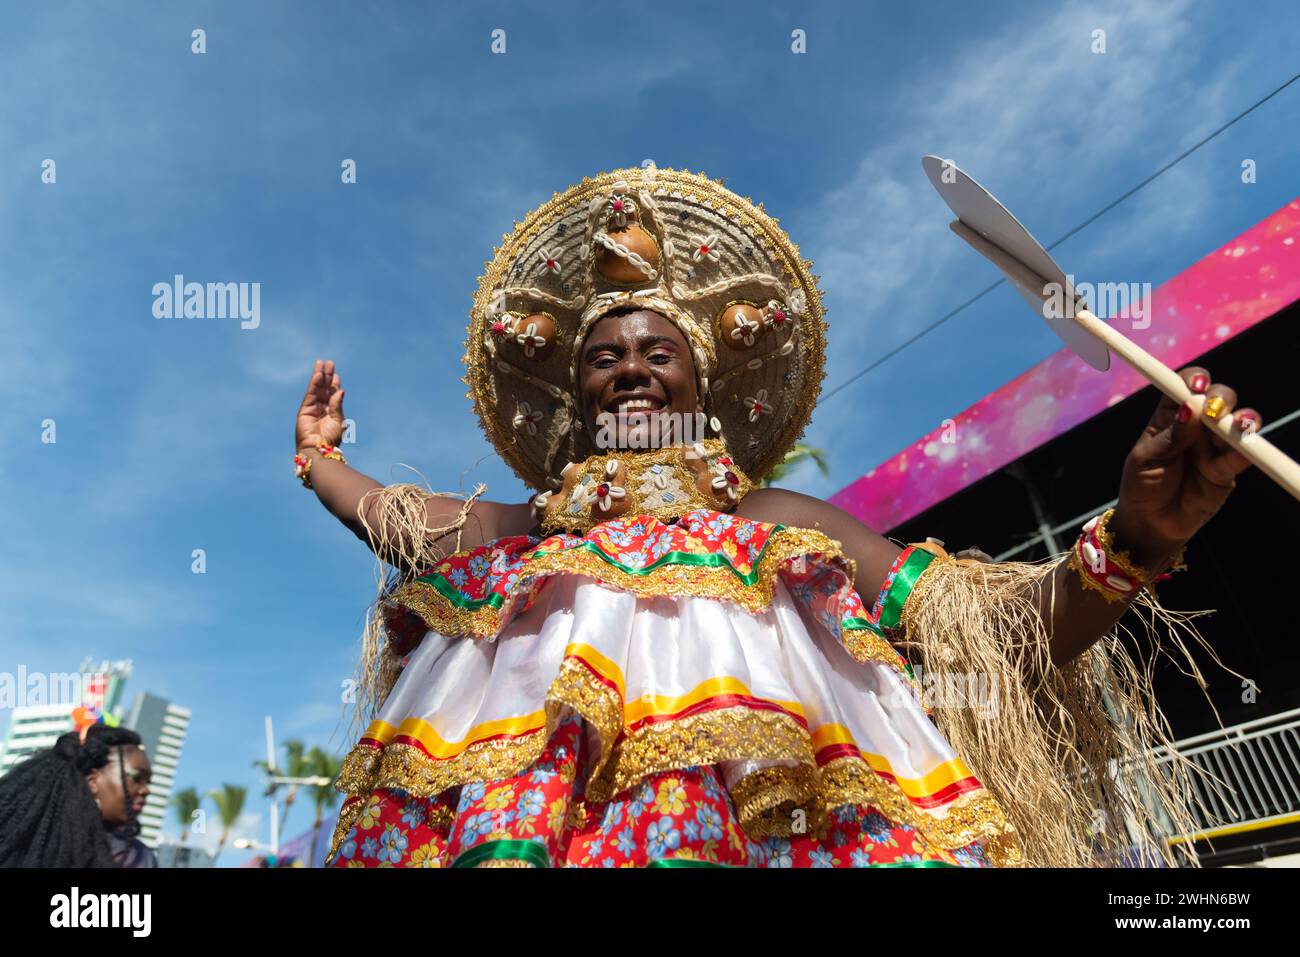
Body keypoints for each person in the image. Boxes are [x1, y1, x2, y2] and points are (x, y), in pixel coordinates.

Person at [295, 166, 1261, 868]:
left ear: (701, 385)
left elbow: (995, 633)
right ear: (576, 398)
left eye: (657, 350)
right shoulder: (537, 537)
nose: (631, 367)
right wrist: (321, 461)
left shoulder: (780, 523)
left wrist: (1140, 534)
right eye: (604, 357)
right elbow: (407, 520)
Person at [0, 723, 156, 867]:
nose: (146, 790)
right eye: (136, 777)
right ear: (93, 781)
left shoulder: (138, 855)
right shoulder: (31, 841)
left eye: (147, 782)